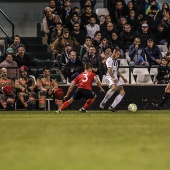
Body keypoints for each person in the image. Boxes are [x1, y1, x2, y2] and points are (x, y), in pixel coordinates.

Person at [99, 47, 127, 112]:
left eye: (119, 54)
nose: (118, 56)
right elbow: (109, 70)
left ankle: (112, 107)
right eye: (117, 54)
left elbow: (116, 71)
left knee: (122, 92)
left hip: (115, 79)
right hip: (109, 78)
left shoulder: (116, 61)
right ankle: (103, 102)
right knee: (114, 87)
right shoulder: (109, 60)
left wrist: (123, 77)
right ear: (114, 53)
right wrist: (113, 77)